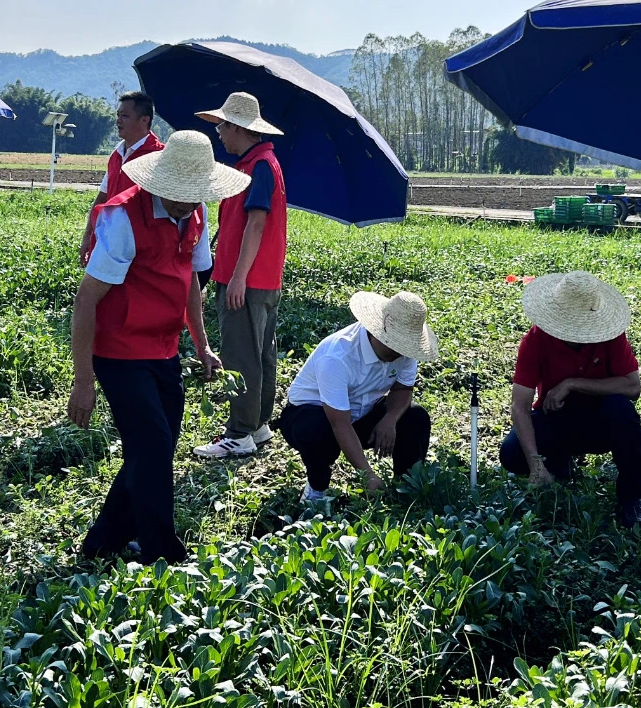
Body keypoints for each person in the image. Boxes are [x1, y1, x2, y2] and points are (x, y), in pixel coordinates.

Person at [68, 130, 247, 562]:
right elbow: (86, 300)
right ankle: (161, 552)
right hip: (118, 351)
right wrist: (82, 381)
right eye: (179, 193)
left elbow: (190, 282)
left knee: (155, 448)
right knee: (151, 446)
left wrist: (202, 345)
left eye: (194, 193)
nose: (186, 202)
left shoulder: (196, 214)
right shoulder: (124, 219)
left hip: (164, 348)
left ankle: (103, 542)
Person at [499, 271, 641, 527]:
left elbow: (632, 386)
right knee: (512, 453)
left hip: (600, 419)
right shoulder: (536, 339)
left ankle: (632, 497)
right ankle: (556, 465)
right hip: (556, 417)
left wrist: (572, 383)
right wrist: (535, 463)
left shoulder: (610, 335)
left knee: (623, 412)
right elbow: (520, 406)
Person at [191, 92, 288, 459]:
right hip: (261, 279)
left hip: (247, 280)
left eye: (221, 126)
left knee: (241, 355)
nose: (218, 132)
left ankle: (239, 433)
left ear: (238, 127)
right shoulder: (257, 163)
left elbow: (257, 223)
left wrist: (237, 277)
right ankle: (258, 424)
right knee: (261, 353)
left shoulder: (259, 166)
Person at [278, 290, 439, 502]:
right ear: (377, 331)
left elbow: (402, 389)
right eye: (394, 346)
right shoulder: (338, 356)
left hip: (362, 409)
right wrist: (367, 474)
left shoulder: (405, 351)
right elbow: (340, 423)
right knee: (316, 430)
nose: (399, 354)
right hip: (315, 413)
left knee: (415, 417)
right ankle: (316, 489)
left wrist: (390, 418)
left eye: (404, 347)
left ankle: (407, 487)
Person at [79, 91, 163, 266]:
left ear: (144, 120)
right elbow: (102, 197)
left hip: (140, 251)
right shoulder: (116, 154)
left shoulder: (158, 156)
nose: (118, 121)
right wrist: (88, 235)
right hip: (108, 242)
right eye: (118, 115)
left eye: (125, 116)